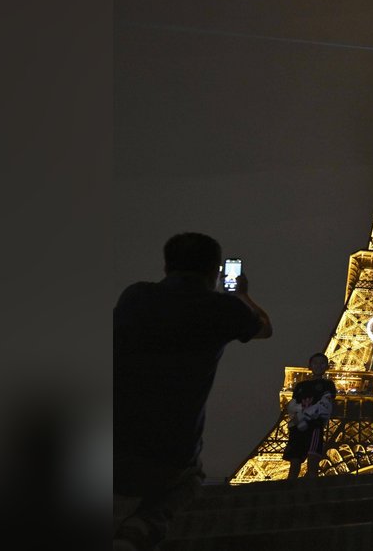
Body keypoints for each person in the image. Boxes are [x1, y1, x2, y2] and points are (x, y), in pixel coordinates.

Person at [113, 232, 273, 550]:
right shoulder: (221, 309)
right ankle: (141, 528)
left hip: (116, 429)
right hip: (171, 443)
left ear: (166, 264)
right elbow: (265, 328)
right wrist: (241, 295)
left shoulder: (135, 296)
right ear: (215, 271)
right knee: (189, 479)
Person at [283, 352, 337, 479]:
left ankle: (307, 488)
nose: (318, 366)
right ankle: (291, 490)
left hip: (314, 425)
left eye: (322, 363)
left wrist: (304, 416)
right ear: (310, 366)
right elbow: (292, 405)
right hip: (298, 426)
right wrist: (299, 419)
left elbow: (325, 404)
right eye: (315, 363)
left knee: (313, 460)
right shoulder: (300, 386)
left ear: (327, 367)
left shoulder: (328, 385)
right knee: (295, 461)